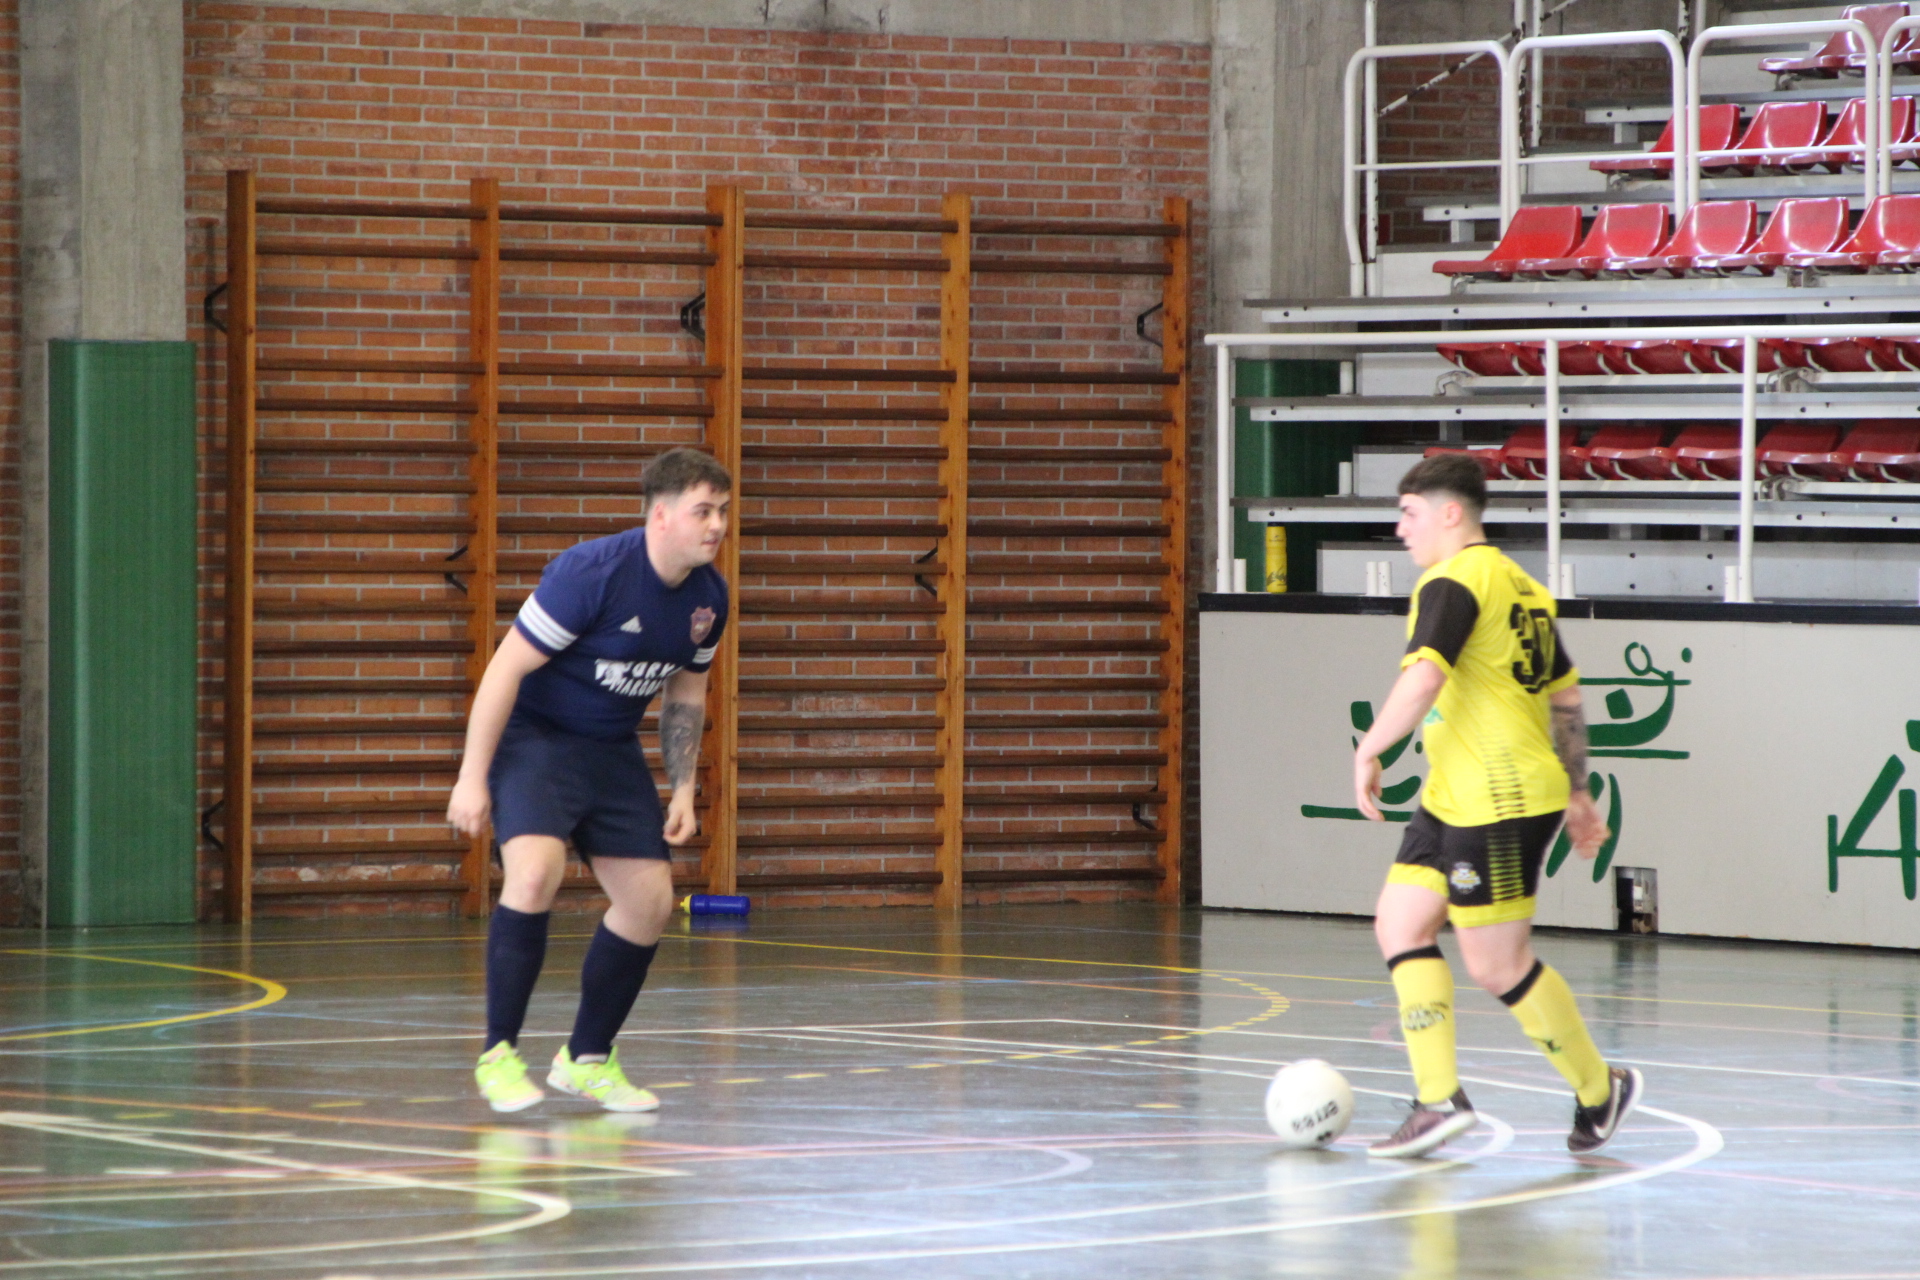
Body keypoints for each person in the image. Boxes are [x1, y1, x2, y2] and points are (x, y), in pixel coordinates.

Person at [1354, 454, 1641, 1158]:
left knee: (1497, 965)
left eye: (1409, 514)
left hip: (1499, 799)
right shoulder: (1523, 587)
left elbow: (1424, 679)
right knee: (1400, 922)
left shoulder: (1451, 581)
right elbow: (1564, 694)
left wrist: (1371, 748)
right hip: (1455, 793)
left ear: (1451, 513)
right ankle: (1437, 1100)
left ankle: (1599, 1088)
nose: (1401, 529)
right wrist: (1577, 789)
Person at [447, 446, 731, 1113]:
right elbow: (504, 670)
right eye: (703, 511)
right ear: (661, 516)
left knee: (650, 903)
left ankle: (587, 1058)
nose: (717, 524)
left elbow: (687, 695)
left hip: (610, 750)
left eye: (723, 510)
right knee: (533, 875)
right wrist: (471, 777)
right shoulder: (590, 573)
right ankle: (498, 1055)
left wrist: (683, 788)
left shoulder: (709, 598)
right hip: (536, 741)